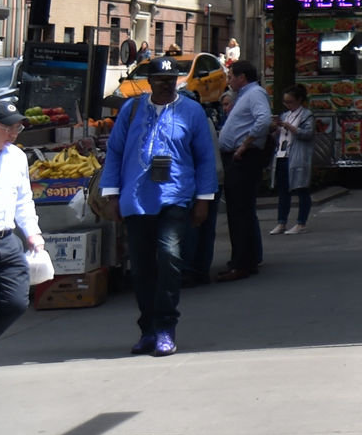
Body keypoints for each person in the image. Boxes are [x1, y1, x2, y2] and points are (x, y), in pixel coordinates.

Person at [99, 55, 217, 357]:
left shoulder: (192, 111)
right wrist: (112, 196)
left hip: (176, 195)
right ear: (149, 82)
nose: (166, 85)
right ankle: (148, 329)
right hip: (136, 198)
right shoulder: (132, 109)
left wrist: (204, 200)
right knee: (141, 268)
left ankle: (166, 327)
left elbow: (205, 158)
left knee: (169, 257)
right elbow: (115, 152)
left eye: (170, 80)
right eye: (160, 80)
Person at [0, 102, 42, 394]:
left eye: (17, 127)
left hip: (8, 240)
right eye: (8, 128)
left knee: (16, 303)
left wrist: (32, 234)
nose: (14, 134)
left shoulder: (16, 157)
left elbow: (23, 199)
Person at [215, 60, 271, 281]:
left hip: (243, 158)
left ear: (242, 77)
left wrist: (245, 144)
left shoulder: (255, 94)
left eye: (231, 76)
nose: (229, 80)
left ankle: (242, 263)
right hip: (238, 156)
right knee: (241, 211)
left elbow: (264, 120)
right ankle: (245, 258)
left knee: (239, 211)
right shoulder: (245, 95)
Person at [179, 92, 228, 288]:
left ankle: (189, 270)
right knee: (206, 227)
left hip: (201, 179)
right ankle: (201, 269)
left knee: (193, 225)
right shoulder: (205, 119)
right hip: (215, 176)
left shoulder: (191, 121)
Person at [269, 84, 316, 235]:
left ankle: (301, 223)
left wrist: (290, 127)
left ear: (299, 100)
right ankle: (281, 222)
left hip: (297, 156)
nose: (287, 105)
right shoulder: (284, 115)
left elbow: (308, 133)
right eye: (285, 102)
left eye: (290, 102)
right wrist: (275, 128)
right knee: (283, 191)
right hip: (282, 154)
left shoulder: (306, 115)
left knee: (301, 189)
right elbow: (278, 136)